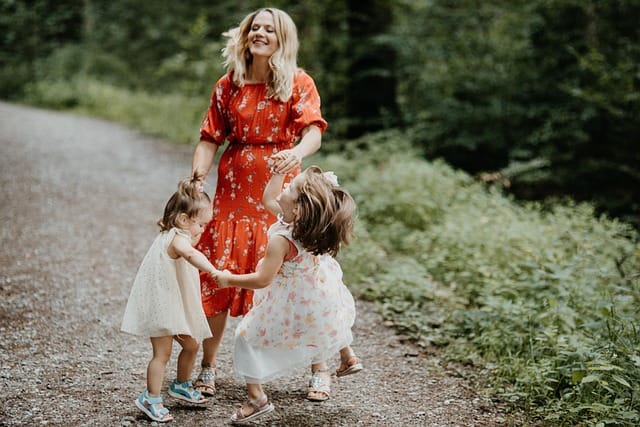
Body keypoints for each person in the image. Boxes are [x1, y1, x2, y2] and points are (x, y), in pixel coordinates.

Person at [190, 7, 328, 398]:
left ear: (282, 39)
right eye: (255, 27)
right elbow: (209, 137)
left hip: (279, 190)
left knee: (299, 278)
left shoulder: (299, 82)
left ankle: (320, 369)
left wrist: (297, 152)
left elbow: (313, 132)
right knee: (219, 274)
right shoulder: (228, 84)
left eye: (269, 29)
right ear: (245, 35)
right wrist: (199, 174)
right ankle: (207, 367)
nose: (260, 33)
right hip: (232, 192)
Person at [214, 165, 360, 423]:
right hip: (315, 294)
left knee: (245, 337)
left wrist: (229, 279)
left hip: (290, 301)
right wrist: (278, 171)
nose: (285, 186)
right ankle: (347, 356)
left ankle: (256, 399)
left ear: (297, 209)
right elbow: (269, 198)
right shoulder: (311, 226)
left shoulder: (282, 240)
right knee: (324, 324)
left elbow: (262, 279)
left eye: (291, 187)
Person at [121, 174, 219, 423]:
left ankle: (181, 384)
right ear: (184, 219)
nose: (203, 230)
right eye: (201, 225)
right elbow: (191, 255)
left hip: (173, 303)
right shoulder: (178, 240)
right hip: (162, 305)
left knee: (191, 344)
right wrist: (214, 270)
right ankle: (151, 397)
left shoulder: (179, 233)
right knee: (161, 354)